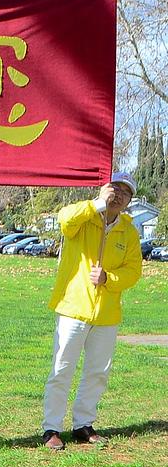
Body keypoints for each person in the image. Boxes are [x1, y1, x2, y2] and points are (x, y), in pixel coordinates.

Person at [41, 172, 142, 450]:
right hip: (73, 307)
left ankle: (83, 424)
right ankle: (51, 427)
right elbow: (64, 220)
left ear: (129, 201)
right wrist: (97, 204)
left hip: (107, 314)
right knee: (62, 369)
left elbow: (133, 271)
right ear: (103, 189)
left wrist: (109, 278)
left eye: (125, 192)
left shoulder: (129, 232)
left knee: (98, 372)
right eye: (114, 188)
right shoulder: (84, 218)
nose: (118, 195)